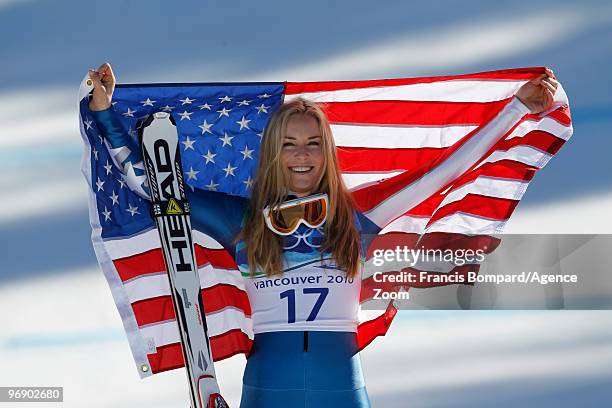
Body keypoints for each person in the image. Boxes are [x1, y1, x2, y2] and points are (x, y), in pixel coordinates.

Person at [87, 62, 558, 407]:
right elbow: (157, 189)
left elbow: (447, 170)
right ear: (274, 151)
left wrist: (516, 108)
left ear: (326, 152)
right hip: (269, 389)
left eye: (313, 143)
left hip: (342, 390)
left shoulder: (358, 216)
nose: (301, 155)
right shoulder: (242, 220)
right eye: (289, 144)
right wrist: (107, 114)